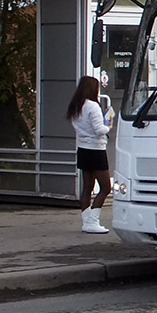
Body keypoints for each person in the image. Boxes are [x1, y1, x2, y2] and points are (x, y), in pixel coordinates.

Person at [66, 76, 112, 233]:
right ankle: (93, 221)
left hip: (83, 148)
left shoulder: (77, 105)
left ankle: (86, 220)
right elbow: (100, 130)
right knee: (106, 187)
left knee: (87, 186)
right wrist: (109, 126)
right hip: (96, 149)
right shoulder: (93, 106)